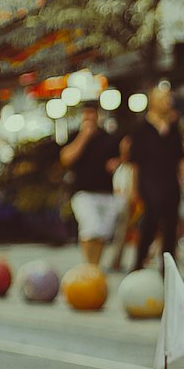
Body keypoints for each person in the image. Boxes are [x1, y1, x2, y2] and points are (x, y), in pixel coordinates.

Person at [121, 82, 184, 273]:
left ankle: (168, 267)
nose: (168, 103)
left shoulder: (173, 129)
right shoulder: (142, 128)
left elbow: (181, 159)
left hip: (170, 180)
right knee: (152, 215)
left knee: (171, 223)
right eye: (164, 99)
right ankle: (139, 262)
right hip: (149, 180)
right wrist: (133, 189)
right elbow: (134, 163)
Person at [60, 100, 121, 267]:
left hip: (106, 192)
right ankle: (88, 265)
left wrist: (117, 163)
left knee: (102, 232)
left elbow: (120, 159)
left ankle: (95, 265)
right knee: (90, 227)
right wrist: (84, 137)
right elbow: (66, 158)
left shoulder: (108, 138)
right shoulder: (74, 136)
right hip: (83, 192)